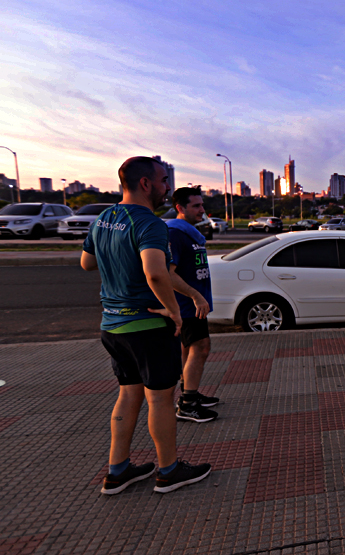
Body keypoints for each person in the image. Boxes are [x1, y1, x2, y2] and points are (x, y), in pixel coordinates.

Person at [81, 157, 212, 495]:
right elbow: (156, 272)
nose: (167, 187)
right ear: (145, 184)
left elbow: (86, 262)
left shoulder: (103, 219)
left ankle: (118, 469)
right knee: (160, 399)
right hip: (146, 326)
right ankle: (168, 471)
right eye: (164, 180)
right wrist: (174, 311)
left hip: (112, 325)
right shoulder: (150, 223)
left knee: (128, 394)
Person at [167, 187, 218, 423]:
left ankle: (191, 394)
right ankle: (187, 404)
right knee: (201, 347)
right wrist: (196, 296)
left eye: (201, 205)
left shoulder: (190, 233)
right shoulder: (175, 233)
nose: (202, 210)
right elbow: (168, 273)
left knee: (189, 350)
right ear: (180, 208)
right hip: (186, 305)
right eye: (196, 206)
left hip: (194, 304)